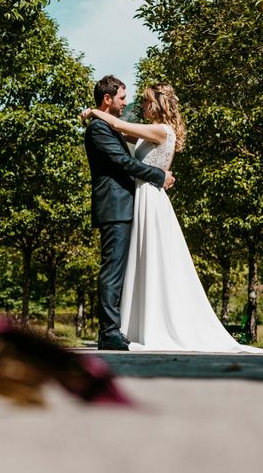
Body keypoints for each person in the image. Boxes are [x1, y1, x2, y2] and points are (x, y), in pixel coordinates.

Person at [83, 83, 263, 353]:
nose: (140, 105)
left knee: (151, 262)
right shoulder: (147, 131)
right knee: (141, 263)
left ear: (159, 104)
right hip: (141, 200)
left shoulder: (161, 130)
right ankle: (132, 326)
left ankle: (148, 326)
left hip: (149, 199)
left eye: (146, 101)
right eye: (129, 99)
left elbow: (119, 126)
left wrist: (93, 111)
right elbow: (118, 129)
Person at [84, 76, 175, 351]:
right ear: (107, 99)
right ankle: (109, 333)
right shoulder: (99, 128)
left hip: (125, 204)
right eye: (122, 97)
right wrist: (159, 175)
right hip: (115, 206)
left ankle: (116, 330)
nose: (126, 103)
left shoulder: (107, 126)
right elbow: (124, 162)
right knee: (112, 269)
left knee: (119, 269)